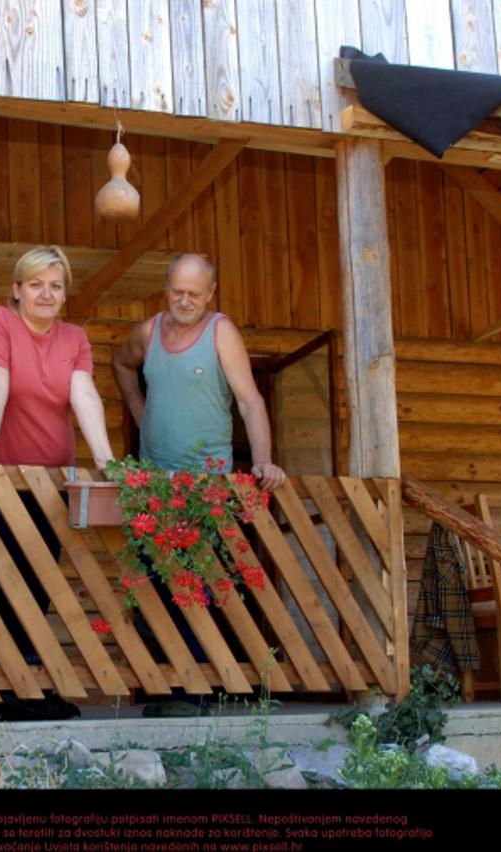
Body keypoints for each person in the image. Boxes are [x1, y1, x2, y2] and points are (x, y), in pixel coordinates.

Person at [112, 252, 286, 715]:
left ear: (211, 293)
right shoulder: (149, 333)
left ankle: (196, 694)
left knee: (194, 586)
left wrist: (263, 461)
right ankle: (169, 692)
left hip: (205, 485)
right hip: (153, 485)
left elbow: (250, 402)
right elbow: (121, 364)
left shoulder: (221, 332)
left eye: (194, 293)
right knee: (153, 588)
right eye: (177, 291)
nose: (185, 300)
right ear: (166, 288)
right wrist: (140, 414)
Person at [0, 245, 114, 721]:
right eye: (36, 284)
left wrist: (107, 461)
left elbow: (84, 396)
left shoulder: (74, 338)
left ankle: (25, 690)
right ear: (17, 289)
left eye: (56, 286)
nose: (46, 294)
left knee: (37, 583)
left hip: (50, 482)